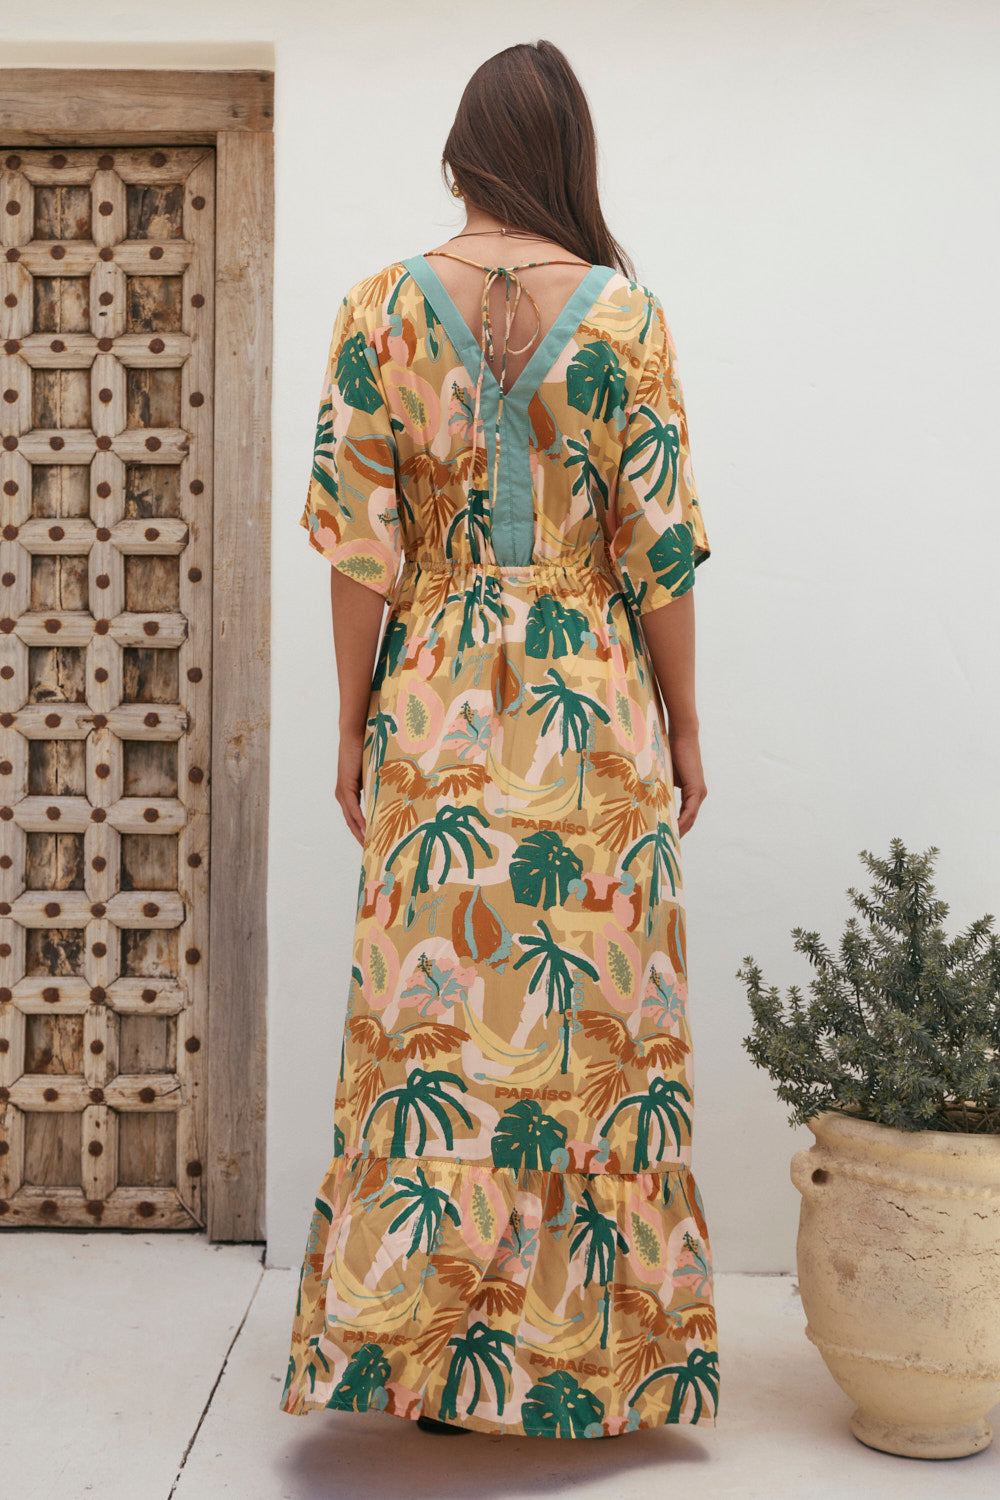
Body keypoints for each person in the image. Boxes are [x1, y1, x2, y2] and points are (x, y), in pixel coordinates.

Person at [279, 39, 717, 1440]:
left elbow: (361, 553)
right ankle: (587, 1368)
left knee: (431, 1040)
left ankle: (434, 1369)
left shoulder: (377, 310)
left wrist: (350, 731)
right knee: (595, 1042)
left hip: (438, 713)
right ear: (567, 157)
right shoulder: (630, 323)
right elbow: (662, 557)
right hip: (592, 717)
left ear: (463, 151)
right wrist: (688, 728)